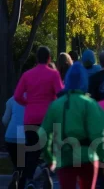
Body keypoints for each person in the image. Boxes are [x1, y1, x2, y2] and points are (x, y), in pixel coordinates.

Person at [40, 63, 104, 189]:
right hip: (88, 156)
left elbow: (43, 133)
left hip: (65, 157)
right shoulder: (90, 104)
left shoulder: (56, 105)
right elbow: (98, 134)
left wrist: (49, 157)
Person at [14, 46, 63, 189]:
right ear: (49, 59)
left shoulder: (27, 75)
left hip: (30, 117)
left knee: (31, 151)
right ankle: (47, 172)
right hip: (48, 118)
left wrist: (28, 102)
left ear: (36, 58)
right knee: (50, 148)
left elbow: (17, 96)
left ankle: (29, 180)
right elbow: (60, 94)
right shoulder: (54, 75)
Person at [3, 95, 25, 188]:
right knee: (23, 164)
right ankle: (20, 182)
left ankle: (15, 174)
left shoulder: (11, 100)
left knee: (17, 162)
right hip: (25, 134)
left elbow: (5, 120)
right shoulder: (36, 99)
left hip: (10, 135)